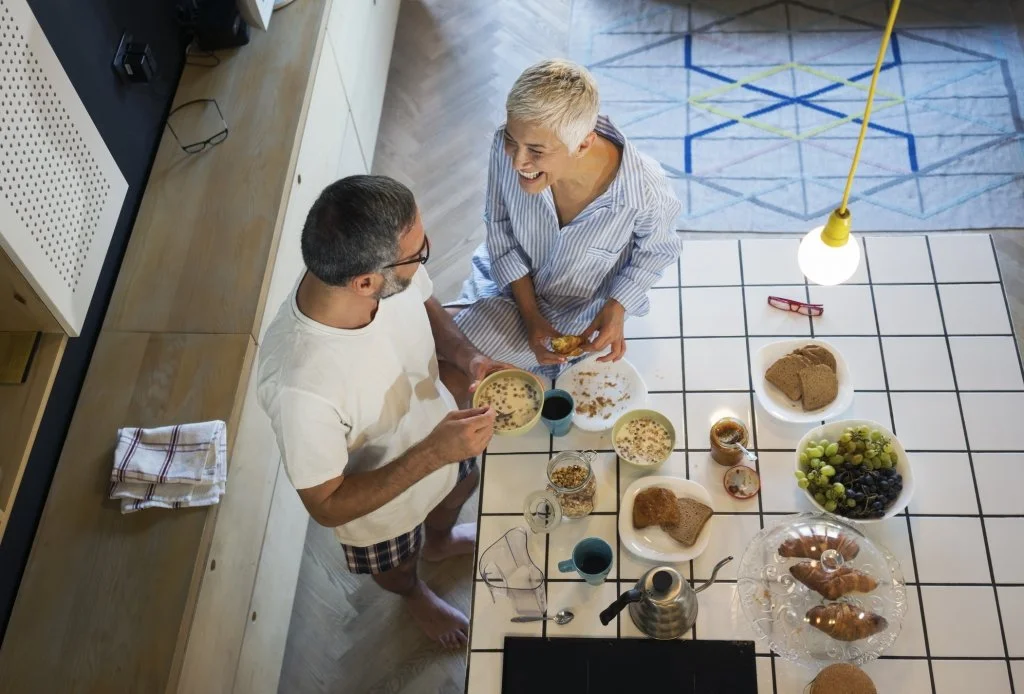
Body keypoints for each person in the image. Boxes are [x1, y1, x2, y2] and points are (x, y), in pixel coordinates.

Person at [257, 175, 509, 648]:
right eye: (419, 254)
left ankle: (439, 540)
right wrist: (435, 453)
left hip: (442, 431)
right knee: (395, 566)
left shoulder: (379, 277)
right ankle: (414, 594)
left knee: (462, 485)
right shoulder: (300, 388)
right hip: (384, 507)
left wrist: (467, 355)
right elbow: (326, 505)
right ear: (366, 281)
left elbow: (423, 298)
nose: (425, 255)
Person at [447, 59, 683, 372]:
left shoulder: (645, 191)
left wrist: (617, 306)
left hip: (578, 315)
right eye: (512, 141)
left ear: (584, 143)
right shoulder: (507, 145)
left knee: (459, 363)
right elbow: (500, 229)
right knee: (444, 351)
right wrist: (530, 317)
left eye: (536, 151)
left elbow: (656, 252)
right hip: (508, 286)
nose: (517, 162)